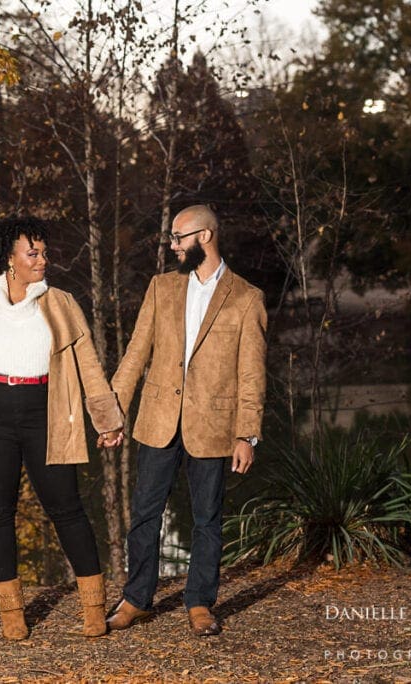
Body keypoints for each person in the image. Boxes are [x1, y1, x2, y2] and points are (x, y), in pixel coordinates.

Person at [0, 217, 124, 640]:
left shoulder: (61, 303)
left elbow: (89, 365)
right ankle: (12, 616)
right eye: (33, 253)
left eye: (44, 252)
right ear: (10, 259)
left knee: (68, 509)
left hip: (48, 413)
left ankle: (94, 610)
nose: (42, 260)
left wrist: (108, 420)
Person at [105, 204, 267, 637]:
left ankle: (199, 603)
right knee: (144, 513)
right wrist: (112, 413)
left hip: (213, 425)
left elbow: (252, 374)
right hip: (158, 418)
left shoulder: (247, 298)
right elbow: (136, 353)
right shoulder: (161, 288)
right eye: (172, 238)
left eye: (179, 237)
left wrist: (246, 434)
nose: (173, 246)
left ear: (206, 237)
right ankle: (137, 599)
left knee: (206, 518)